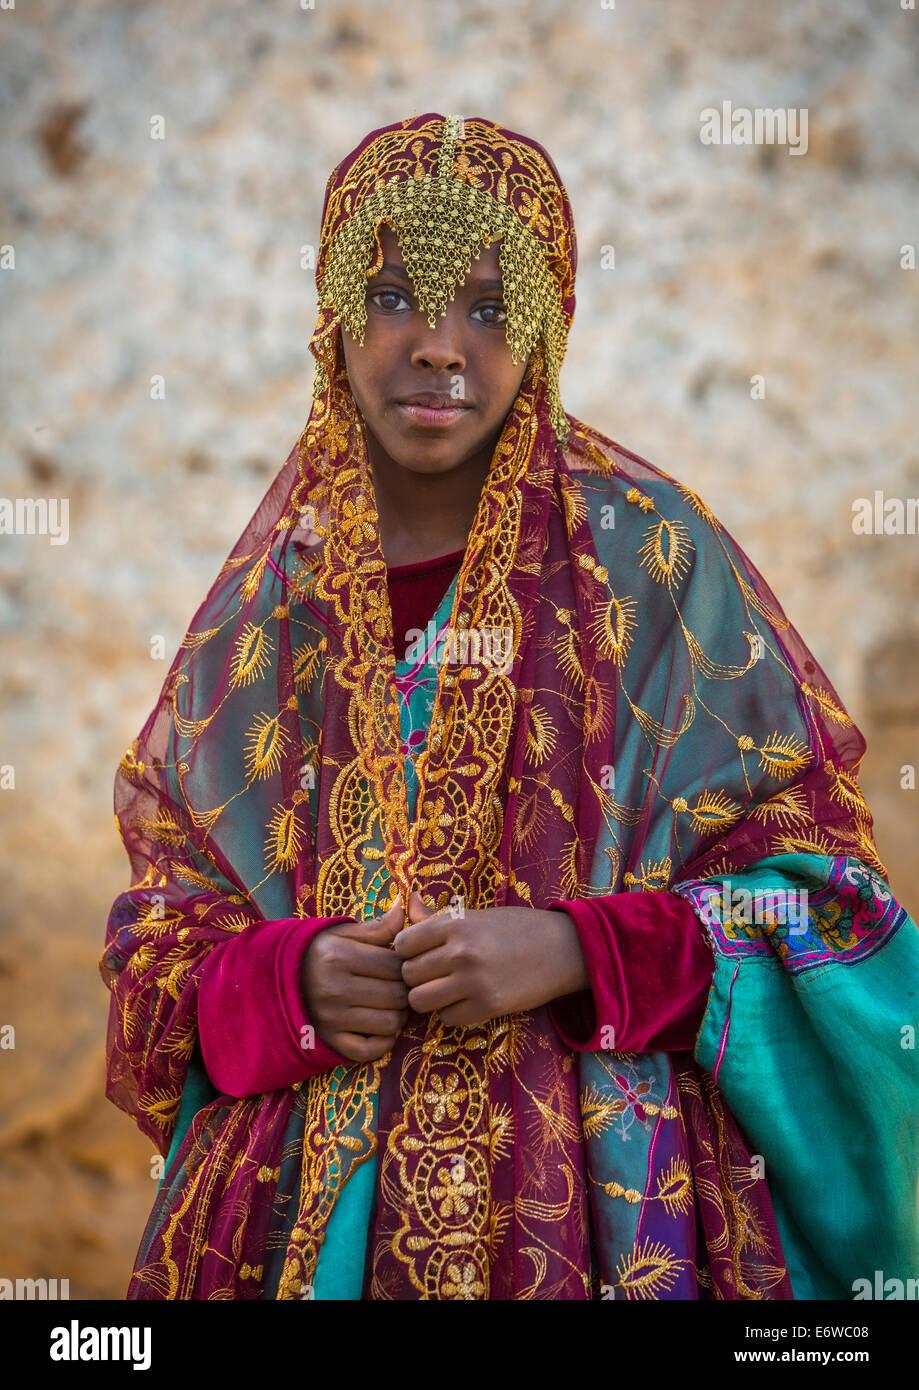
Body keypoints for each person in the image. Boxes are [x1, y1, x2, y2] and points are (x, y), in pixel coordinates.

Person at [100, 112, 919, 1301]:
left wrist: (579, 949)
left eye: (489, 309)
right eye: (394, 297)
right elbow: (160, 941)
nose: (440, 348)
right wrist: (292, 981)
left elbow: (829, 909)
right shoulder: (270, 611)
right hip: (308, 1214)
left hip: (606, 1206)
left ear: (546, 331)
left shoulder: (653, 568)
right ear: (331, 318)